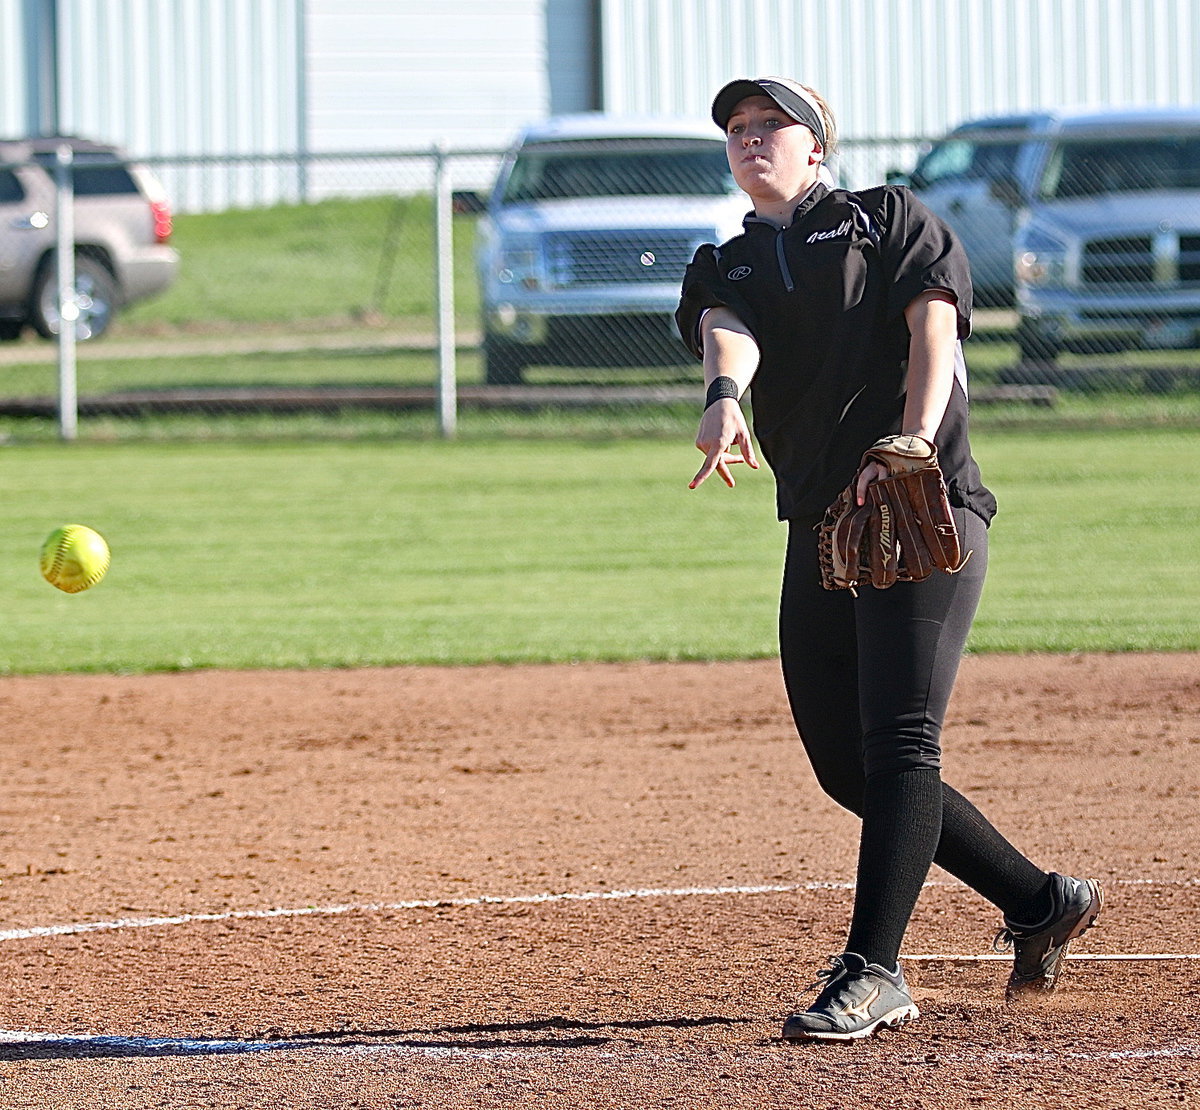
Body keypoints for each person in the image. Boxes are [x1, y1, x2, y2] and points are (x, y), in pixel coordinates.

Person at [676, 77, 1102, 1043]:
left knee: (901, 739)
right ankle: (1040, 901)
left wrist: (913, 439)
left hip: (920, 506)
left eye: (771, 126)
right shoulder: (726, 264)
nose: (751, 140)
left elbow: (935, 325)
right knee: (844, 762)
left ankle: (874, 969)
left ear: (816, 146)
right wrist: (723, 395)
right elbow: (727, 330)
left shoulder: (888, 220)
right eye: (737, 130)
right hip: (822, 527)